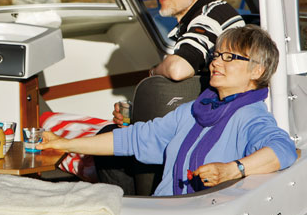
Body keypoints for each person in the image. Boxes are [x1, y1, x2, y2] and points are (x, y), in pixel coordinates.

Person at [40, 26, 296, 196]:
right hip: (165, 213)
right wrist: (64, 143)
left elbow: (284, 150)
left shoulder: (251, 116)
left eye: (229, 57)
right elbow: (133, 138)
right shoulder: (193, 111)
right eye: (217, 55)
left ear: (257, 71)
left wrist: (231, 170)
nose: (216, 62)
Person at [112, 0, 245, 125]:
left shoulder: (213, 16)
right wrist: (137, 114)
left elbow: (178, 69)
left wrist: (153, 72)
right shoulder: (196, 20)